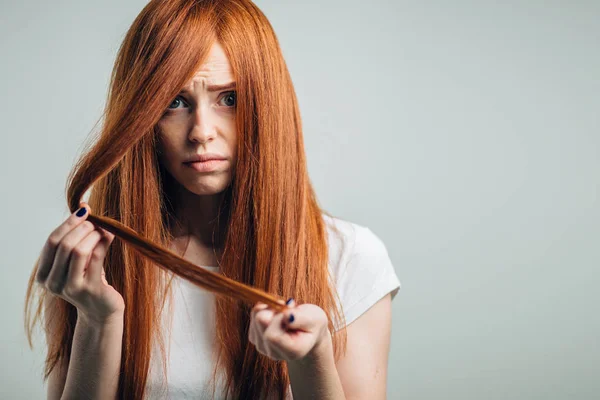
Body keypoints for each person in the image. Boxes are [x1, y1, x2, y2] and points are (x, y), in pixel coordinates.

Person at [24, 0, 401, 399]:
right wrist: (97, 320)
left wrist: (313, 359)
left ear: (266, 107)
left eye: (229, 99)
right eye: (174, 102)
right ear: (139, 116)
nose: (201, 132)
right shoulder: (84, 268)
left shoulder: (352, 258)